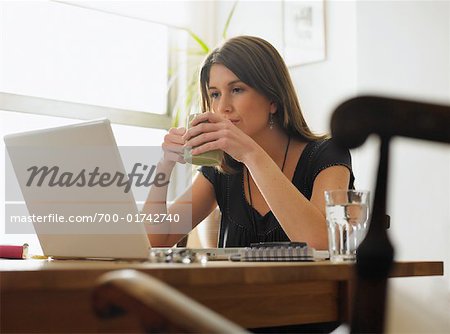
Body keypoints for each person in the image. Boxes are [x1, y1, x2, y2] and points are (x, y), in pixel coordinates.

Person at [143, 35, 354, 249]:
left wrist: (251, 155)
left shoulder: (328, 154)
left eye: (236, 90)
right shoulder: (220, 168)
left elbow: (321, 243)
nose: (222, 106)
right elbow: (155, 240)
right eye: (214, 94)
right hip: (234, 284)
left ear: (273, 100)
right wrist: (165, 165)